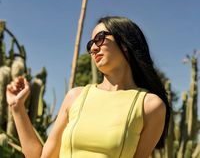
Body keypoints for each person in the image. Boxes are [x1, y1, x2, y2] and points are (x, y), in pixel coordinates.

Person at [6, 16, 170, 158]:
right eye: (90, 44)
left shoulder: (150, 106)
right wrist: (17, 106)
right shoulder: (75, 96)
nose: (93, 48)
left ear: (125, 43)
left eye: (100, 38)